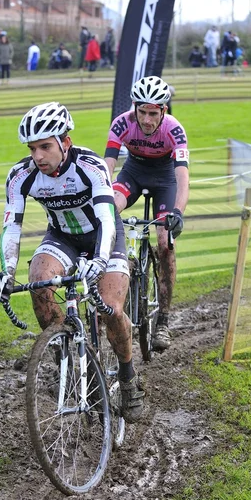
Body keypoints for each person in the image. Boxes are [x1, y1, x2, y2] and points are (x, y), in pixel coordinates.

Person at [0, 102, 144, 424]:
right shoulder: (20, 176)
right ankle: (71, 358)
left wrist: (101, 260)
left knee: (112, 309)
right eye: (32, 148)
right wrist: (6, 272)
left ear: (65, 143)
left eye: (45, 147)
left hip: (104, 235)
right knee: (39, 280)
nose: (38, 157)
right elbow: (12, 227)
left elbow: (106, 218)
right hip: (63, 237)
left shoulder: (90, 166)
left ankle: (129, 378)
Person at [104, 76, 189, 350]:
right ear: (135, 107)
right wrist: (100, 203)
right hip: (134, 174)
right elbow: (107, 167)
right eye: (143, 112)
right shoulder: (121, 123)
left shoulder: (174, 130)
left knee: (165, 243)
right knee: (110, 205)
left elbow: (183, 177)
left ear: (164, 110)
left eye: (154, 113)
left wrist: (177, 211)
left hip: (165, 179)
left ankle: (163, 320)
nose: (148, 119)